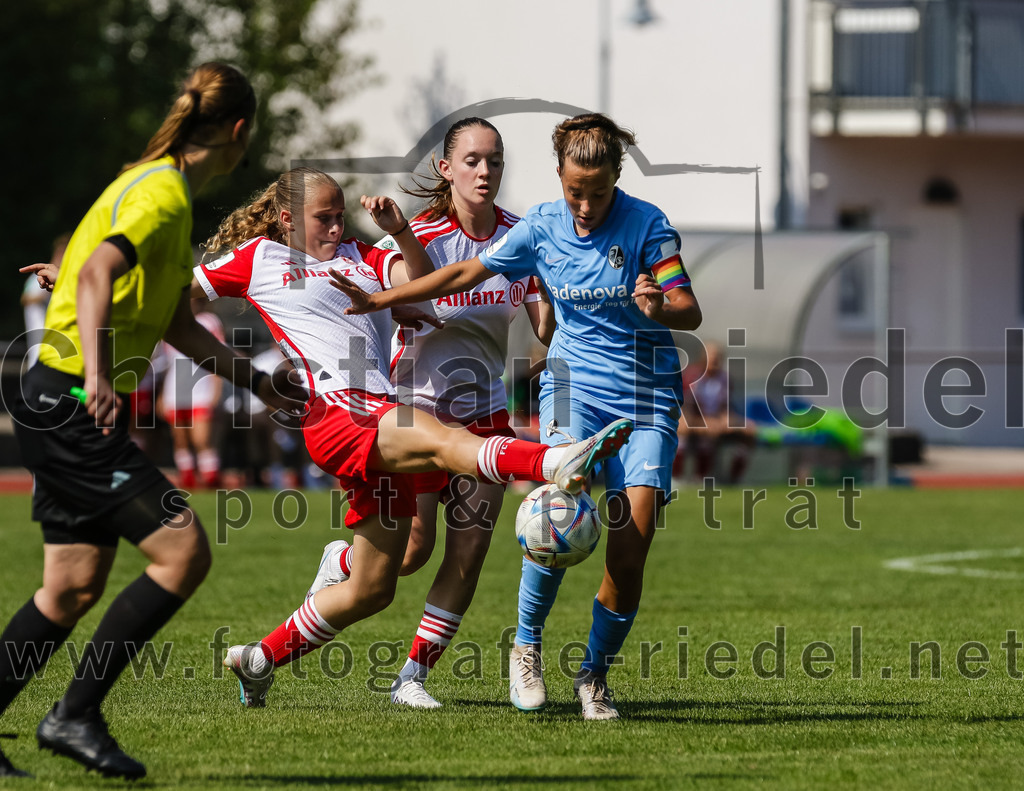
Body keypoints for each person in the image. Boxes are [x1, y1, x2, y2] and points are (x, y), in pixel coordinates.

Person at [194, 167, 632, 710]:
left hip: (377, 409)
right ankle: (554, 460)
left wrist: (399, 235)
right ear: (287, 219)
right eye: (322, 218)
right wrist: (77, 280)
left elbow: (421, 293)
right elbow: (171, 295)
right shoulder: (258, 257)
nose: (336, 227)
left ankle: (258, 659)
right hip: (339, 410)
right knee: (449, 442)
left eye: (339, 216)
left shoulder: (362, 252)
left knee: (373, 589)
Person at [332, 113, 702, 720]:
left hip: (645, 397)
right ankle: (525, 648)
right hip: (566, 388)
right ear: (558, 176)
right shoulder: (539, 227)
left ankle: (593, 676)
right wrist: (381, 298)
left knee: (628, 553)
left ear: (617, 179)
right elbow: (460, 274)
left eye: (598, 192)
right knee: (551, 515)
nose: (584, 206)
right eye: (574, 191)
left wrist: (660, 307)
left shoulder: (649, 227)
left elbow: (688, 308)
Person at [0, 63, 303, 780]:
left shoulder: (149, 185)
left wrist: (258, 382)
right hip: (72, 399)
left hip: (57, 398)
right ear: (237, 131)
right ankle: (74, 714)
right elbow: (98, 271)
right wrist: (103, 374)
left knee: (70, 586)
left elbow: (180, 329)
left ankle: (61, 714)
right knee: (183, 551)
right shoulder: (162, 194)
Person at [304, 118, 554, 710]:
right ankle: (342, 557)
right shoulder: (417, 235)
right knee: (411, 552)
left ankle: (411, 677)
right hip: (415, 411)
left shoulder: (523, 237)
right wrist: (400, 238)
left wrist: (557, 329)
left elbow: (545, 317)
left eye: (494, 160)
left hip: (486, 414)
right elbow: (415, 295)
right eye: (472, 160)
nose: (485, 171)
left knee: (467, 555)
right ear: (447, 169)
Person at [157, 300, 226, 488]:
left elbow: (219, 355)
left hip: (201, 388)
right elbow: (167, 364)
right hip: (175, 389)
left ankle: (211, 480)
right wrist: (162, 395)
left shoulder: (208, 321)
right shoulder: (170, 321)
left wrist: (216, 388)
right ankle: (188, 481)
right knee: (180, 439)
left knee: (201, 439)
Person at [677, 341, 756, 484]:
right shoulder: (692, 376)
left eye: (717, 356)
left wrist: (726, 420)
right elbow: (685, 411)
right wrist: (706, 422)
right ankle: (683, 478)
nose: (714, 359)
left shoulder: (724, 378)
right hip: (694, 421)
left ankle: (734, 479)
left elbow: (725, 407)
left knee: (749, 431)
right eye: (711, 356)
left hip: (714, 421)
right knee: (696, 432)